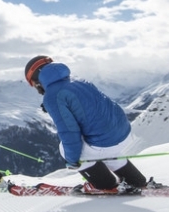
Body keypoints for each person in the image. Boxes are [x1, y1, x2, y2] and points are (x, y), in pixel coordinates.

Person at [23, 56, 161, 192]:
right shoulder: (79, 81)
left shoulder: (52, 96)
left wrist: (73, 160)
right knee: (107, 152)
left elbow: (69, 132)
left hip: (104, 143)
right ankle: (137, 181)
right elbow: (87, 105)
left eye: (32, 84)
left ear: (37, 80)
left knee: (65, 148)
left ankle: (105, 185)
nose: (35, 87)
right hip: (123, 132)